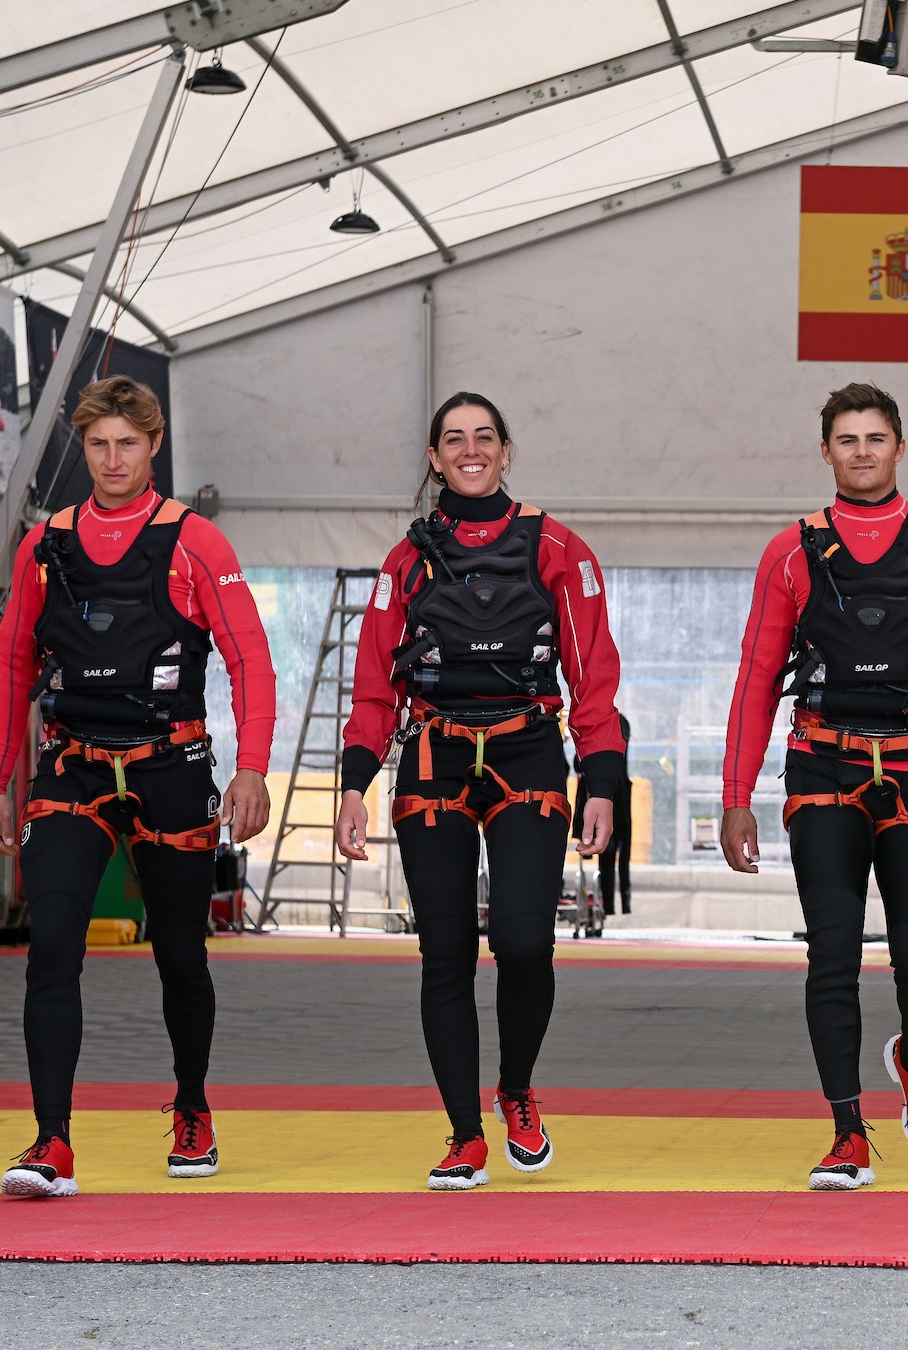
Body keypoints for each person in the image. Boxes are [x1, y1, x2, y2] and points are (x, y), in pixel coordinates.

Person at [0, 375, 275, 1198]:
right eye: (99, 445)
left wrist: (252, 766)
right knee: (54, 948)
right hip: (70, 767)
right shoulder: (46, 545)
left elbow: (250, 658)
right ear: (86, 448)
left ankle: (191, 1105)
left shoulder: (196, 543)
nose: (112, 460)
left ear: (153, 448)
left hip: (170, 767)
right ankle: (52, 1142)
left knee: (181, 953)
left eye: (128, 445)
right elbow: (10, 667)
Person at [721, 382, 908, 1191]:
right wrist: (734, 795)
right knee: (833, 956)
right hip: (822, 768)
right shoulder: (791, 551)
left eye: (875, 438)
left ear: (899, 447)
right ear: (826, 452)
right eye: (847, 439)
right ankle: (847, 1131)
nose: (862, 451)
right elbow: (755, 677)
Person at [334, 392, 626, 1191]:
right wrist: (354, 784)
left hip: (528, 752)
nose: (470, 450)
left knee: (527, 943)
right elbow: (371, 689)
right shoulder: (407, 560)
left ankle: (518, 1089)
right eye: (453, 439)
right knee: (446, 952)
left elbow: (594, 677)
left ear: (505, 451)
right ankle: (465, 1133)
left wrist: (603, 781)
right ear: (434, 457)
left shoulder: (559, 547)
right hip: (432, 757)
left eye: (484, 438)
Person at [576, 713, 635, 921]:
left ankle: (612, 904)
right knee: (616, 853)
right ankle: (613, 905)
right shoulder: (615, 723)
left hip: (607, 796)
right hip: (615, 798)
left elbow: (578, 764)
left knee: (612, 853)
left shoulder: (604, 722)